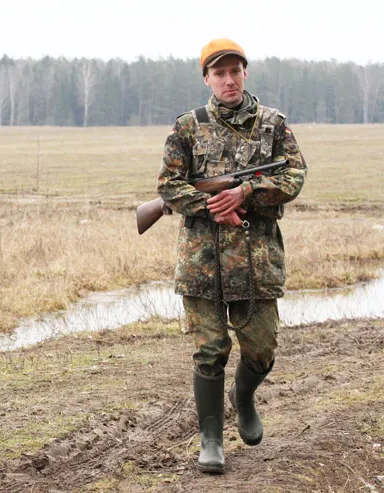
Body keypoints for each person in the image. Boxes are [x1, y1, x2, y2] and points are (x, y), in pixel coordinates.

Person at [156, 38, 307, 474]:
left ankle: (244, 399)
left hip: (257, 262)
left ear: (245, 73)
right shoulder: (187, 127)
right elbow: (168, 185)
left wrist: (248, 190)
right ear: (207, 78)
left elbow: (296, 176)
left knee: (261, 349)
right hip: (202, 262)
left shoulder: (274, 125)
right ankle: (211, 441)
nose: (228, 79)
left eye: (235, 71)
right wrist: (210, 206)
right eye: (219, 73)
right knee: (210, 351)